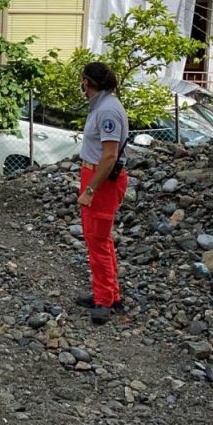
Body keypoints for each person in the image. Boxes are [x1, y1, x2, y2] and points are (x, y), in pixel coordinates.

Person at [75, 61, 130, 325]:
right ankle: (108, 291)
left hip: (102, 179)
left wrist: (90, 189)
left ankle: (104, 300)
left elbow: (109, 156)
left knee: (97, 240)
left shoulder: (106, 111)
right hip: (95, 174)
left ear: (87, 81)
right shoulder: (104, 105)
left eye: (82, 81)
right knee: (99, 239)